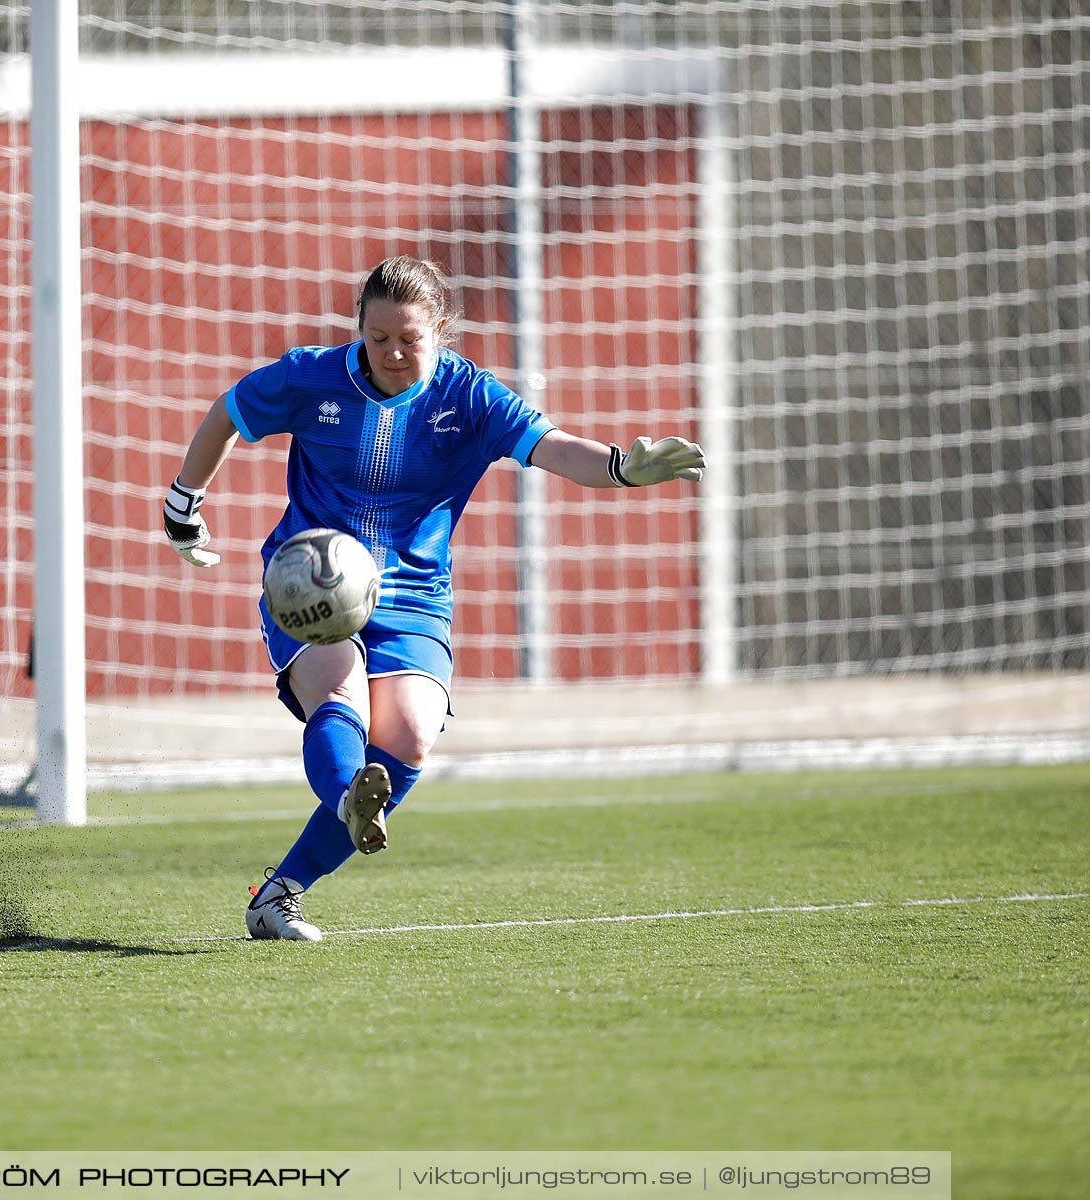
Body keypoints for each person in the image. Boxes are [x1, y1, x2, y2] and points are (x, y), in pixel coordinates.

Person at [161, 256, 705, 941]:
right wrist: (185, 500)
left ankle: (280, 893)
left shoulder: (470, 398)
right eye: (378, 336)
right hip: (311, 581)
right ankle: (347, 798)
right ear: (358, 328)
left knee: (411, 736)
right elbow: (230, 414)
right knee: (341, 698)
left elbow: (557, 449)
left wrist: (623, 469)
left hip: (415, 594)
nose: (392, 351)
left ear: (439, 332)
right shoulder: (312, 376)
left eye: (409, 338)